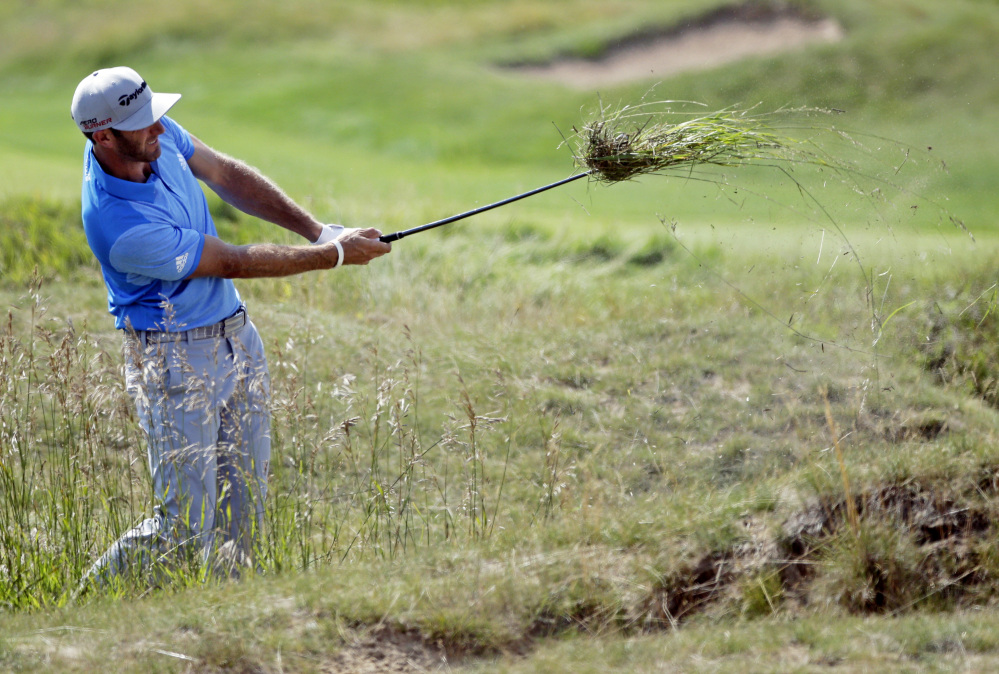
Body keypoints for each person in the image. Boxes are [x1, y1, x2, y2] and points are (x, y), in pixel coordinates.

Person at [70, 66, 391, 587]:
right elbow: (234, 261)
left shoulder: (154, 135)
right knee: (183, 529)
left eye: (156, 114)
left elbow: (223, 173)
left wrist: (319, 230)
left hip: (236, 337)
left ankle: (232, 616)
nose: (159, 127)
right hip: (174, 363)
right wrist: (333, 256)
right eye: (141, 122)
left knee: (245, 513)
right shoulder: (120, 226)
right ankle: (80, 615)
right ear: (102, 135)